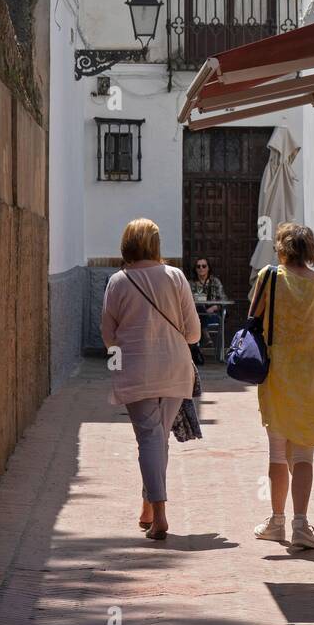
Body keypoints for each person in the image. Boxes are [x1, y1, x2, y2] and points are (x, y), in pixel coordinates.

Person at [101, 219, 201, 540]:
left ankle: (159, 514)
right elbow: (194, 332)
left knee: (149, 437)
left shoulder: (118, 281)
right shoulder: (176, 277)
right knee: (158, 437)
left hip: (135, 370)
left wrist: (117, 364)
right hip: (175, 367)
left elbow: (108, 335)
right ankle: (148, 505)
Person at [251, 222, 314, 550]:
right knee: (304, 455)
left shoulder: (269, 278)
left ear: (283, 248)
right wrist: (308, 350)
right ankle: (301, 525)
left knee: (277, 454)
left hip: (276, 379)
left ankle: (276, 523)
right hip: (313, 381)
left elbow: (252, 323)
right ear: (311, 250)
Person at [190, 258, 226, 352]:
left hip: (212, 315)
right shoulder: (191, 283)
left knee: (201, 312)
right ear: (195, 269)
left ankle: (201, 343)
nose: (201, 268)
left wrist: (215, 307)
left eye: (204, 266)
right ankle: (206, 335)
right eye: (198, 266)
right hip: (195, 315)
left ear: (208, 268)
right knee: (199, 308)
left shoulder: (215, 282)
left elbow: (224, 299)